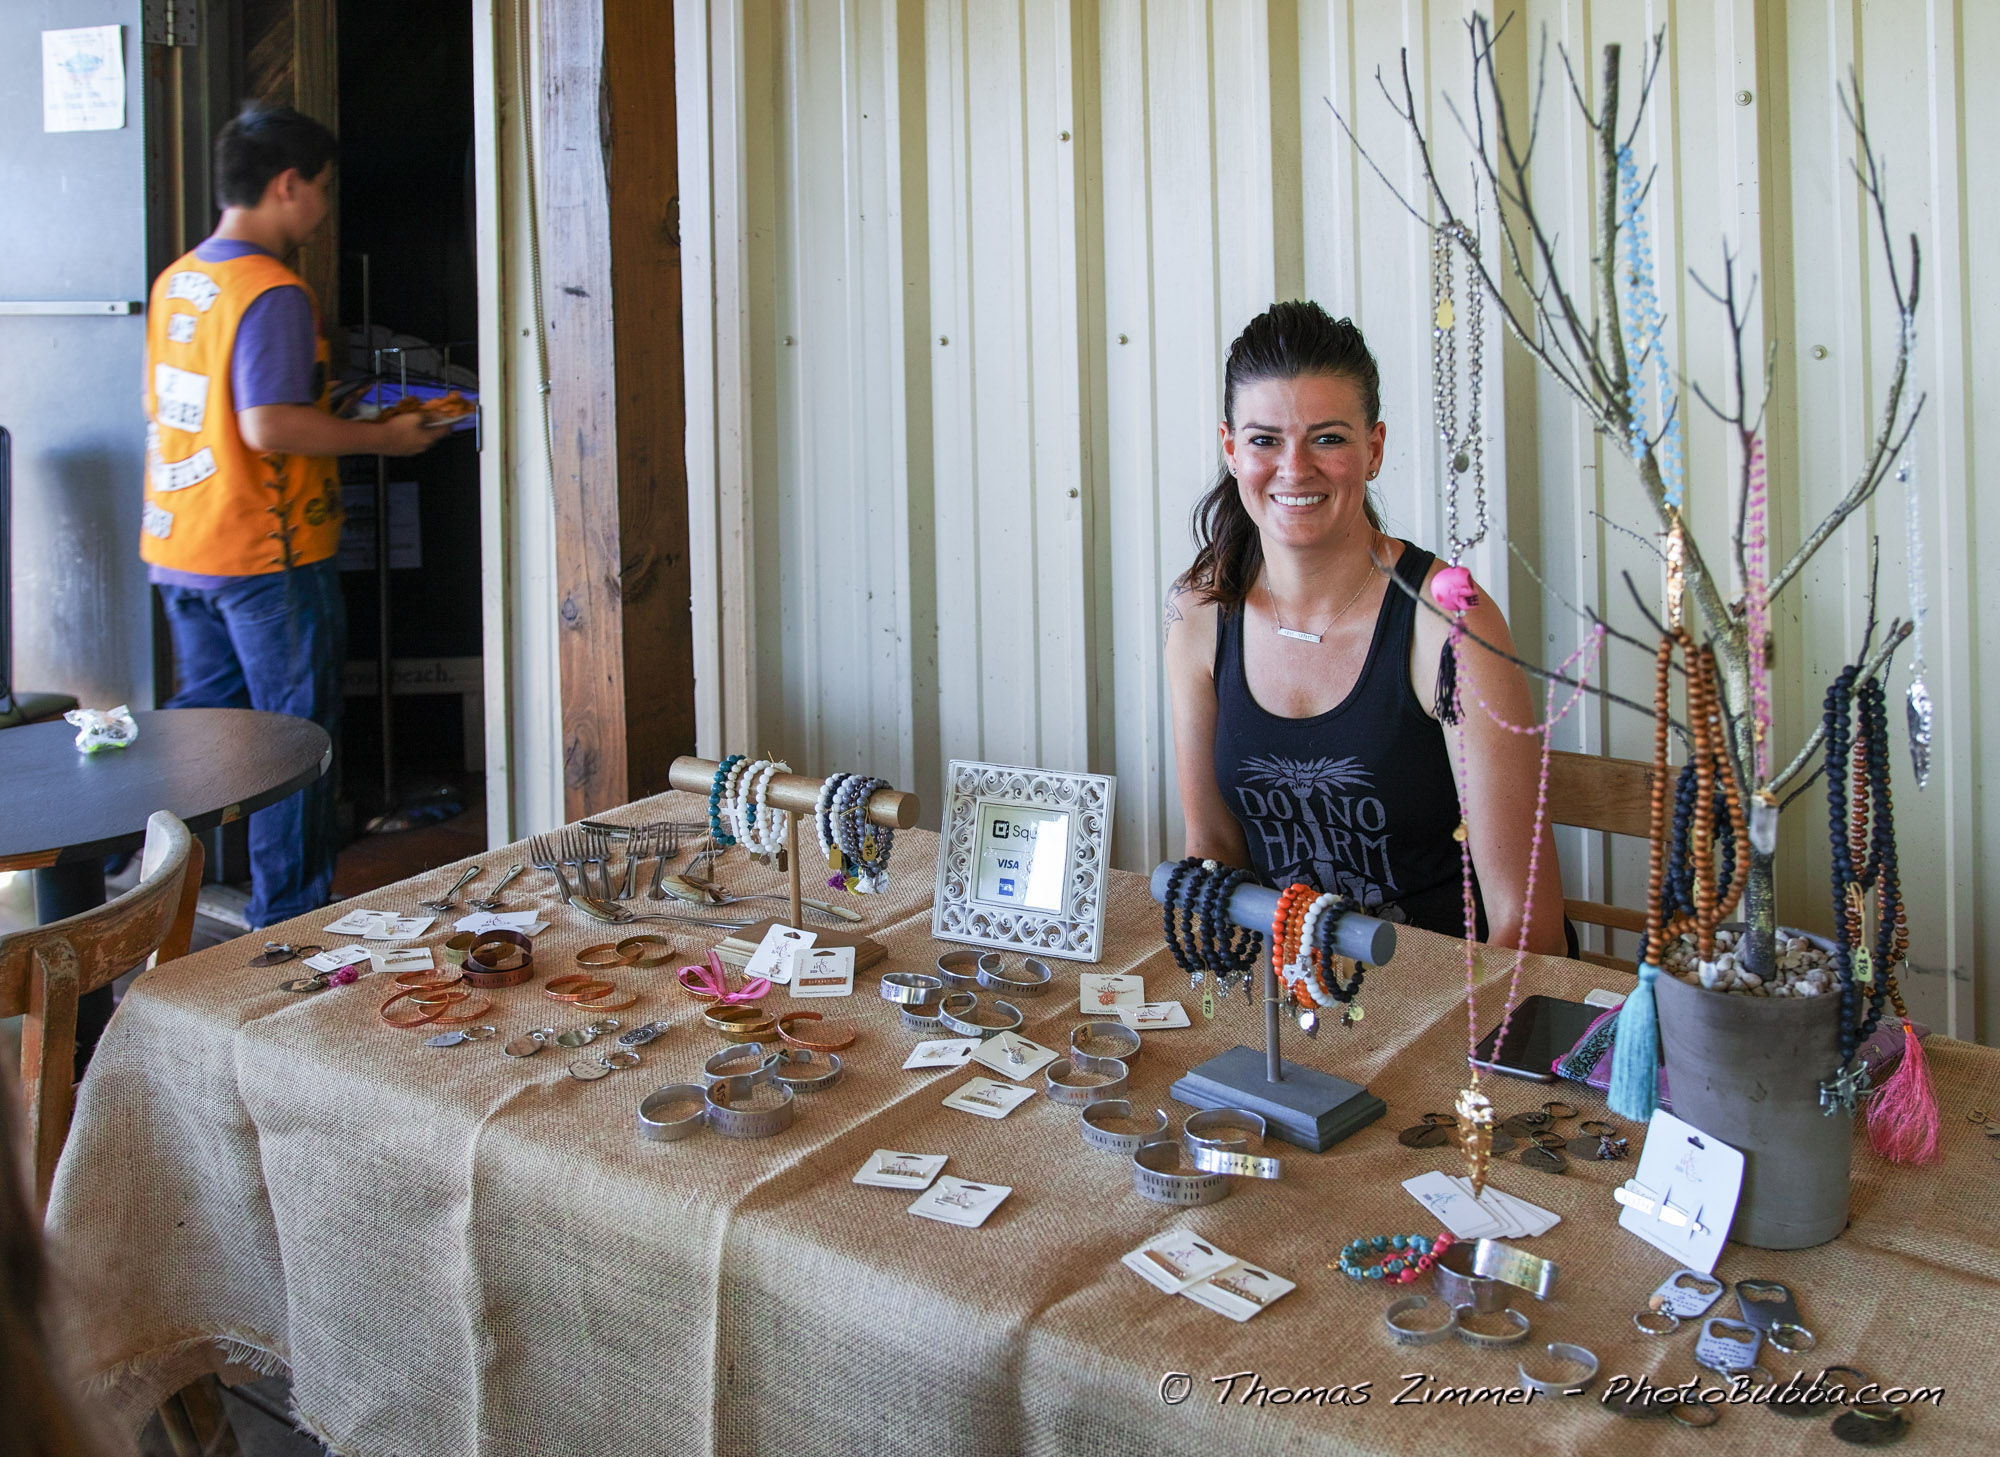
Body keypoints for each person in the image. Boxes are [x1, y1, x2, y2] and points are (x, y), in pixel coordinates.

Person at [1165, 301, 1568, 954]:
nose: (1295, 467)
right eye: (1265, 440)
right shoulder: (1200, 611)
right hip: (1286, 993)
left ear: (1373, 449)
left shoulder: (1450, 622)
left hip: (1450, 990)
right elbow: (1213, 851)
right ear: (1231, 450)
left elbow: (1529, 926)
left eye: (1328, 438)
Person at [141, 103, 446, 927]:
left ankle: (153, 905)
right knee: (294, 741)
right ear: (287, 185)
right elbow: (267, 424)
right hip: (265, 553)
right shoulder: (272, 289)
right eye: (322, 187)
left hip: (183, 543)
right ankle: (289, 922)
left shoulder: (180, 280)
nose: (323, 205)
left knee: (204, 738)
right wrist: (385, 437)